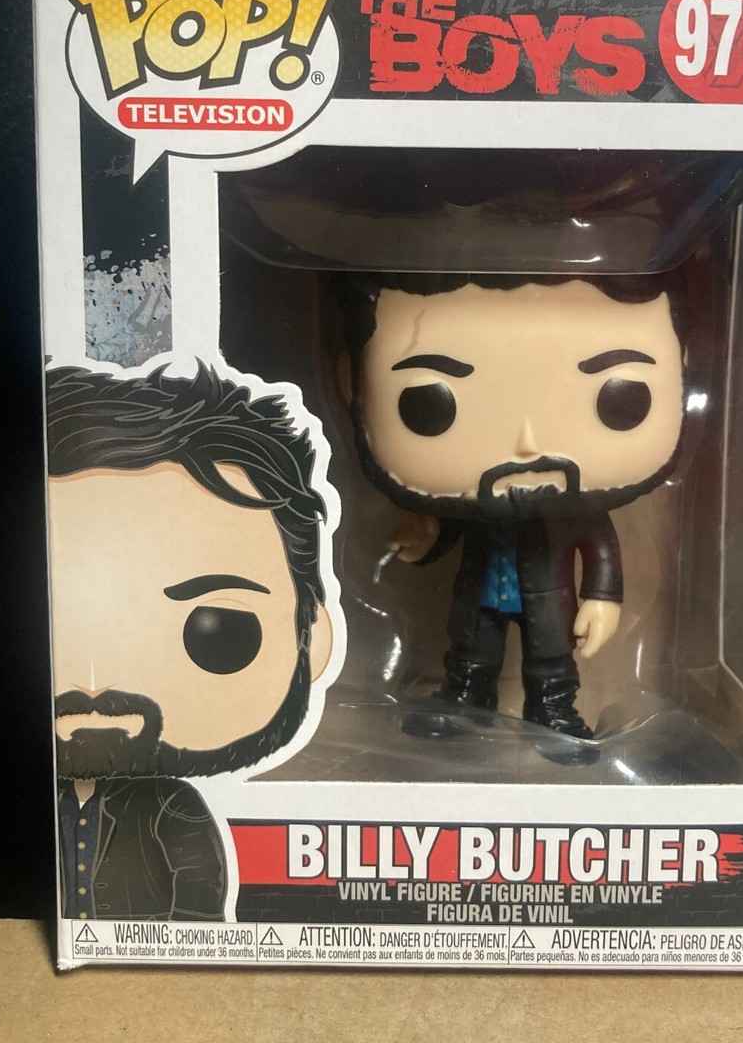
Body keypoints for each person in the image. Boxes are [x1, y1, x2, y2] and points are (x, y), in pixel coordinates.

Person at [337, 271, 686, 740]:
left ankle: (552, 710)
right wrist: (423, 536)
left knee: (550, 660)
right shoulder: (475, 503)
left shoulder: (573, 510)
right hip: (482, 594)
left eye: (619, 399)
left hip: (547, 599)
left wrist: (601, 598)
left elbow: (600, 546)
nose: (526, 445)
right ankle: (466, 700)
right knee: (471, 652)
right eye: (428, 403)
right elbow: (447, 526)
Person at [47, 364, 333, 920]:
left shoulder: (171, 809)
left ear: (312, 636)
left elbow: (199, 903)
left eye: (218, 627)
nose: (96, 684)